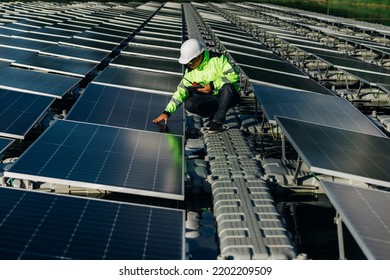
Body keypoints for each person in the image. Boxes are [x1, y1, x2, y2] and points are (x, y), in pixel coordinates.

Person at [153, 38, 241, 133]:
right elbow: (180, 91)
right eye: (187, 64)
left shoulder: (218, 59)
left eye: (190, 62)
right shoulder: (190, 72)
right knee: (190, 104)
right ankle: (213, 114)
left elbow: (233, 76)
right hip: (214, 99)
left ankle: (217, 122)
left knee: (228, 87)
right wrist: (167, 112)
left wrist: (212, 86)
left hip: (230, 96)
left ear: (199, 56)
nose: (189, 65)